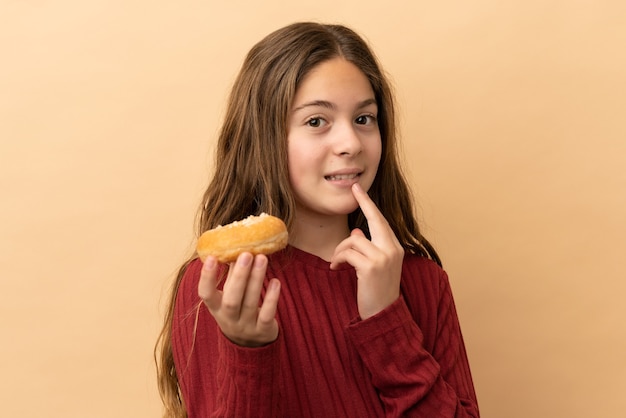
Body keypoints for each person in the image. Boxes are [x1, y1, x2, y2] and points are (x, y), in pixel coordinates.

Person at [155, 22, 479, 418]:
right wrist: (250, 350)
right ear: (266, 138)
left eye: (364, 119)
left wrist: (386, 320)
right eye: (316, 121)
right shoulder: (225, 287)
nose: (351, 144)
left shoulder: (423, 283)